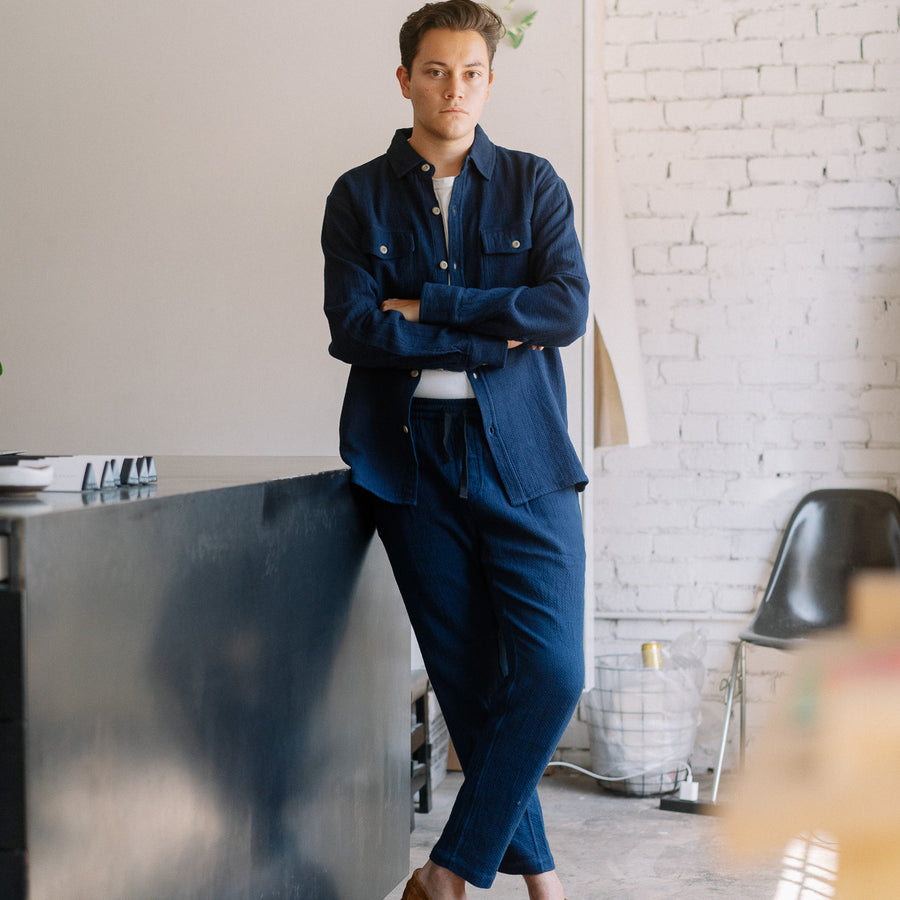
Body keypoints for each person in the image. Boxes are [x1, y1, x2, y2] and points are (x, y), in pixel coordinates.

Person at [322, 3, 589, 898]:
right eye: (436, 70)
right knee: (470, 684)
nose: (455, 88)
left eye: (471, 71)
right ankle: (543, 880)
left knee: (551, 673)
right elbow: (356, 332)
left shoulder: (534, 183)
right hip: (407, 458)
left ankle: (447, 874)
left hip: (523, 451)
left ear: (489, 80)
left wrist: (431, 308)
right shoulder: (357, 195)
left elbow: (563, 313)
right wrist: (492, 331)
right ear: (405, 80)